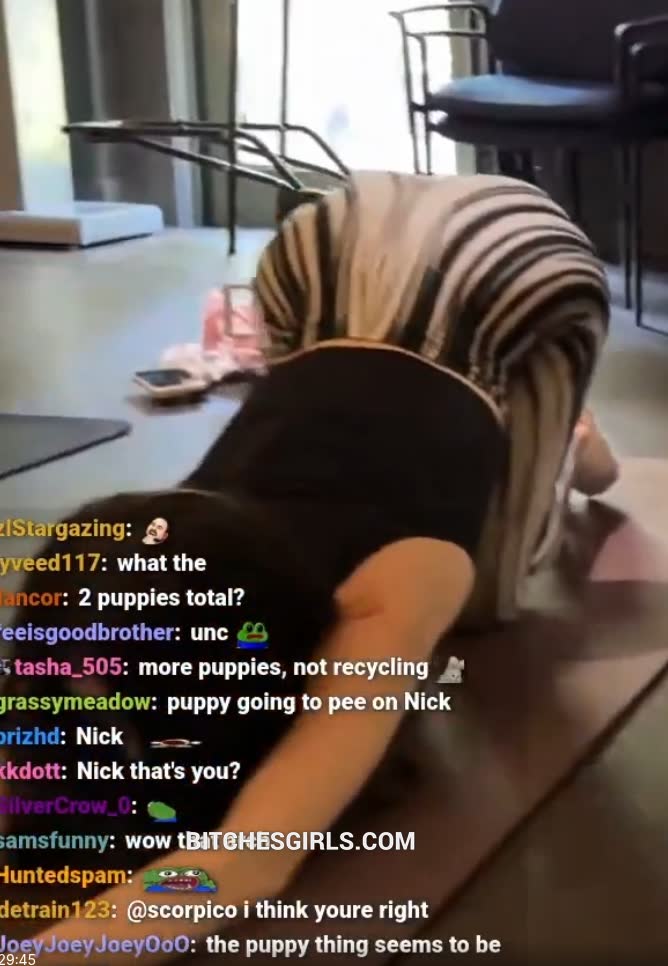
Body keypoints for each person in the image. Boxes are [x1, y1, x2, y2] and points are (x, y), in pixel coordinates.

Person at [1, 173, 618, 963]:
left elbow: (246, 862)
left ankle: (573, 439)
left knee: (497, 598)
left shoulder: (398, 586)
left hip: (512, 262)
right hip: (316, 256)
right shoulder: (146, 551)